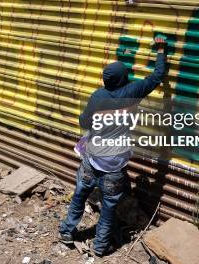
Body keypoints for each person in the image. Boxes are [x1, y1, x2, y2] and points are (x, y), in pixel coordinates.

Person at [59, 36, 167, 256]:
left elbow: (84, 122)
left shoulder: (98, 96)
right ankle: (100, 247)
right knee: (108, 209)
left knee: (80, 194)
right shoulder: (132, 93)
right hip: (113, 167)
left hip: (91, 161)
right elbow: (157, 76)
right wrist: (161, 50)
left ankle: (67, 232)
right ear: (124, 79)